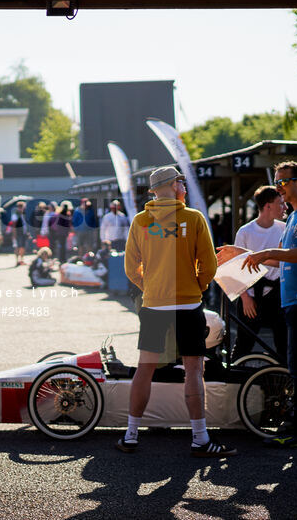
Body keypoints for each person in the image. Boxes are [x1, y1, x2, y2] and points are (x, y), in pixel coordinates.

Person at [118, 166, 233, 458]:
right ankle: (200, 438)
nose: (184, 185)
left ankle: (131, 435)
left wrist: (151, 287)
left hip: (154, 304)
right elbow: (209, 265)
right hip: (188, 303)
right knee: (194, 370)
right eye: (181, 181)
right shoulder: (193, 218)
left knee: (145, 368)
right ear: (174, 185)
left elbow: (131, 268)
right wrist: (196, 285)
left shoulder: (141, 221)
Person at [219, 160, 297, 448]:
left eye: (282, 181)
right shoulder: (296, 216)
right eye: (277, 182)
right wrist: (245, 253)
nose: (279, 187)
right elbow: (276, 260)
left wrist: (267, 251)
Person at [229, 185, 288, 365]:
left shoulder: (284, 229)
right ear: (268, 206)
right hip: (251, 294)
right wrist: (245, 298)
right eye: (281, 203)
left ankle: (283, 383)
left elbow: (284, 261)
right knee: (244, 344)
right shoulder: (245, 231)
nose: (285, 207)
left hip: (277, 294)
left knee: (283, 343)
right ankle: (234, 383)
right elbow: (235, 268)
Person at [8, 201, 29, 266]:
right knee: (17, 247)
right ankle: (17, 260)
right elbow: (14, 226)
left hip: (23, 233)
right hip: (18, 233)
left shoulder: (23, 214)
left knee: (23, 246)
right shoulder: (15, 215)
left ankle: (21, 260)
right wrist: (14, 235)